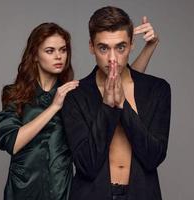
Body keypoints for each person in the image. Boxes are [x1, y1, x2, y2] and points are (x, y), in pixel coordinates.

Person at [0, 18, 158, 200]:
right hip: (24, 188)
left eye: (63, 50)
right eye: (50, 51)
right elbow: (13, 143)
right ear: (34, 55)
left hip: (61, 188)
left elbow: (120, 81)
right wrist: (54, 107)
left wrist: (149, 47)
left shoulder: (72, 93)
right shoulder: (15, 94)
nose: (58, 56)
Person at [61, 6, 171, 200]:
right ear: (91, 47)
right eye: (103, 48)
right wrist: (107, 108)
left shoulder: (157, 89)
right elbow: (87, 164)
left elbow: (153, 157)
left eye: (120, 47)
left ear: (131, 45)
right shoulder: (75, 95)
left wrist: (122, 105)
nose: (112, 59)